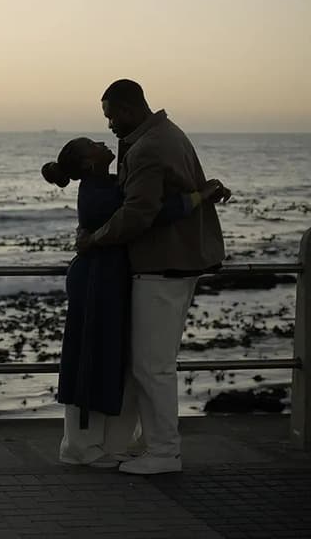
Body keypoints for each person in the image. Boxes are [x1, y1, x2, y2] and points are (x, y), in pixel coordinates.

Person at [42, 137, 228, 468]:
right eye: (93, 144)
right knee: (90, 359)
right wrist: (199, 196)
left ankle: (102, 443)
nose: (102, 141)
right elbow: (149, 212)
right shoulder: (98, 194)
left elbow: (150, 197)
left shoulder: (111, 184)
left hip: (108, 279)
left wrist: (203, 191)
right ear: (88, 163)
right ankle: (79, 447)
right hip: (96, 281)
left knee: (107, 359)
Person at [76, 79, 227, 475]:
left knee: (151, 367)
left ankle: (164, 452)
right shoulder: (167, 134)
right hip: (179, 262)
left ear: (128, 109)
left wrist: (94, 238)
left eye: (111, 116)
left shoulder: (148, 147)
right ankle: (150, 444)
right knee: (155, 362)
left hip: (161, 266)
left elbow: (138, 213)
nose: (109, 125)